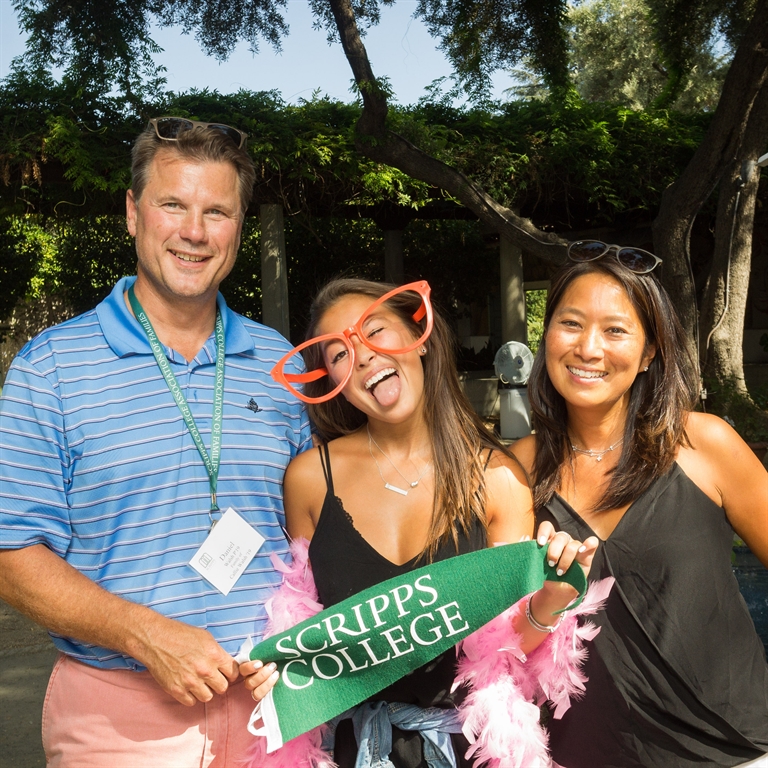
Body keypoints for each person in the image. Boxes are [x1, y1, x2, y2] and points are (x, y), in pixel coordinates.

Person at [0, 117, 311, 767]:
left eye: (216, 211)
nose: (194, 231)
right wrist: (144, 634)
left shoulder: (280, 364)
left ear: (238, 228)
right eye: (173, 204)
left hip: (275, 715)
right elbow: (11, 555)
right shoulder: (51, 367)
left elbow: (314, 531)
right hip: (120, 722)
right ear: (133, 213)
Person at [241, 278, 605, 768]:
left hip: (470, 750)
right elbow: (303, 626)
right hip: (352, 754)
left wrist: (550, 602)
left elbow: (507, 654)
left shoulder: (496, 480)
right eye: (340, 354)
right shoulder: (310, 481)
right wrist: (277, 674)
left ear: (422, 339)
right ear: (333, 382)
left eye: (376, 332)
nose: (365, 355)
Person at [510, 241, 768, 768]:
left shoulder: (705, 445)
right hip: (577, 757)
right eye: (571, 323)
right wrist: (548, 602)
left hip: (733, 752)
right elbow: (498, 648)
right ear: (546, 336)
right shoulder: (513, 472)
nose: (588, 348)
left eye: (615, 330)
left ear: (650, 351)